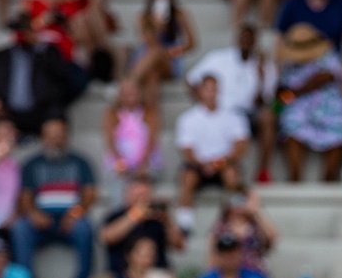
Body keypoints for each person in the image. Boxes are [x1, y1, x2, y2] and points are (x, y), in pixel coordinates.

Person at [11, 116, 96, 278]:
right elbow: (25, 197)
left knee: (84, 228)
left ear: (67, 136)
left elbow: (89, 195)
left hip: (70, 219)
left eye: (59, 134)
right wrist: (34, 214)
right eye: (51, 134)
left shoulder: (81, 162)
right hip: (41, 221)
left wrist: (75, 213)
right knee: (21, 228)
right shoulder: (32, 164)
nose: (55, 138)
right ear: (43, 137)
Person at [188, 26, 278, 183]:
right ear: (237, 40)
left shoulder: (264, 65)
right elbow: (191, 80)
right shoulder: (218, 59)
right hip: (222, 112)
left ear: (255, 42)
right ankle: (225, 167)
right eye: (243, 39)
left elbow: (265, 101)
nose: (246, 43)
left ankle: (263, 170)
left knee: (268, 118)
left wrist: (261, 78)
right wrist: (204, 102)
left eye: (250, 40)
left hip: (248, 114)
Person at [275, 22, 342, 184]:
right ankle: (295, 176)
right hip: (299, 108)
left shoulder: (328, 57)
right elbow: (281, 91)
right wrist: (283, 97)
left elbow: (325, 77)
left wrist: (295, 92)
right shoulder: (290, 64)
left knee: (340, 126)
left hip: (329, 106)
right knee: (291, 122)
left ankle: (329, 178)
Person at [0, 10, 77, 138]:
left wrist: (38, 46)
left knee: (55, 127)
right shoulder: (0, 57)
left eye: (27, 30)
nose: (24, 34)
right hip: (7, 112)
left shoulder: (49, 53)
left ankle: (52, 157)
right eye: (21, 31)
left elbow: (62, 79)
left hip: (42, 111)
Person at [174, 74, 249, 234]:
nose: (211, 93)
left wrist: (218, 163)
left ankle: (232, 220)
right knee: (187, 177)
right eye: (207, 89)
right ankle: (185, 222)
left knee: (232, 176)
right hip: (198, 165)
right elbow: (187, 150)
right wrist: (203, 164)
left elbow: (240, 147)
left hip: (224, 164)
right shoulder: (188, 119)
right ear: (200, 92)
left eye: (214, 89)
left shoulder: (233, 117)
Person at [128, 0, 198, 109]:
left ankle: (129, 84)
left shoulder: (179, 14)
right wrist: (157, 27)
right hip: (149, 58)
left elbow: (192, 43)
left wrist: (172, 52)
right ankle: (149, 119)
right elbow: (150, 43)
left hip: (170, 60)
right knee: (153, 77)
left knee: (158, 53)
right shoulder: (143, 16)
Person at [101, 77, 161, 185]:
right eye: (126, 93)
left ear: (140, 92)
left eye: (133, 92)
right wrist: (121, 163)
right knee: (118, 178)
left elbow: (152, 140)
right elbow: (111, 141)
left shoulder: (150, 112)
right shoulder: (111, 113)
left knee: (144, 178)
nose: (130, 96)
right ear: (120, 95)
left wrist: (142, 164)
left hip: (146, 162)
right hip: (119, 161)